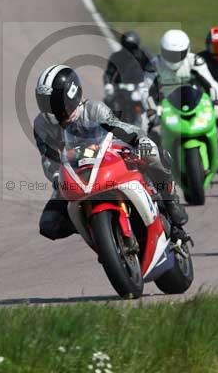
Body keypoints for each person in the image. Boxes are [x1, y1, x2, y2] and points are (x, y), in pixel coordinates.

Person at [33, 64, 189, 242]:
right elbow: (48, 158)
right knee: (49, 224)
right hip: (74, 174)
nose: (49, 109)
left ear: (71, 94)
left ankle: (170, 200)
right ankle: (95, 228)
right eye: (44, 102)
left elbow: (121, 128)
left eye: (53, 102)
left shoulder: (93, 109)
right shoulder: (41, 125)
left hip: (108, 160)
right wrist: (56, 177)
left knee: (153, 151)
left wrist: (138, 141)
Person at [150, 29, 218, 105]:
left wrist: (217, 102)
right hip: (164, 109)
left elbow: (212, 84)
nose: (174, 58)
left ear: (187, 50)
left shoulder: (195, 62)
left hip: (194, 105)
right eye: (170, 54)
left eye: (179, 54)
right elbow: (145, 91)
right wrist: (151, 109)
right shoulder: (154, 65)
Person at [102, 31, 155, 110]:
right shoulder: (116, 57)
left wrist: (150, 83)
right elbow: (109, 73)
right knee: (108, 103)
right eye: (127, 48)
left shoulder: (145, 55)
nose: (130, 51)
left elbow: (153, 69)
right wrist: (108, 84)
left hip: (141, 87)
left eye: (133, 48)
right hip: (120, 88)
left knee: (153, 106)